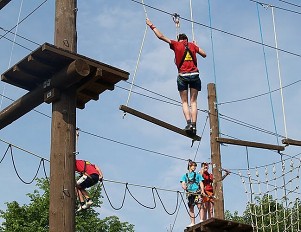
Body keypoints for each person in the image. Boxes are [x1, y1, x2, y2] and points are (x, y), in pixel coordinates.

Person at [146, 18, 206, 135]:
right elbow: (204, 54)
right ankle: (194, 126)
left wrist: (151, 25)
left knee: (184, 102)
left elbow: (161, 36)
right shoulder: (192, 46)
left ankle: (188, 123)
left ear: (179, 40)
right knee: (193, 102)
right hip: (194, 75)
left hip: (183, 76)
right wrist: (196, 46)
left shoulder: (176, 44)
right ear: (187, 40)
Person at [180, 160, 205, 227]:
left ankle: (201, 220)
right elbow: (183, 182)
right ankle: (192, 222)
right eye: (193, 166)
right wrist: (184, 186)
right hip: (190, 193)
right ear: (190, 166)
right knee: (191, 207)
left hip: (197, 192)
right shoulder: (185, 175)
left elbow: (201, 183)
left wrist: (202, 190)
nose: (194, 167)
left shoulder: (198, 175)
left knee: (199, 205)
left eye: (195, 166)